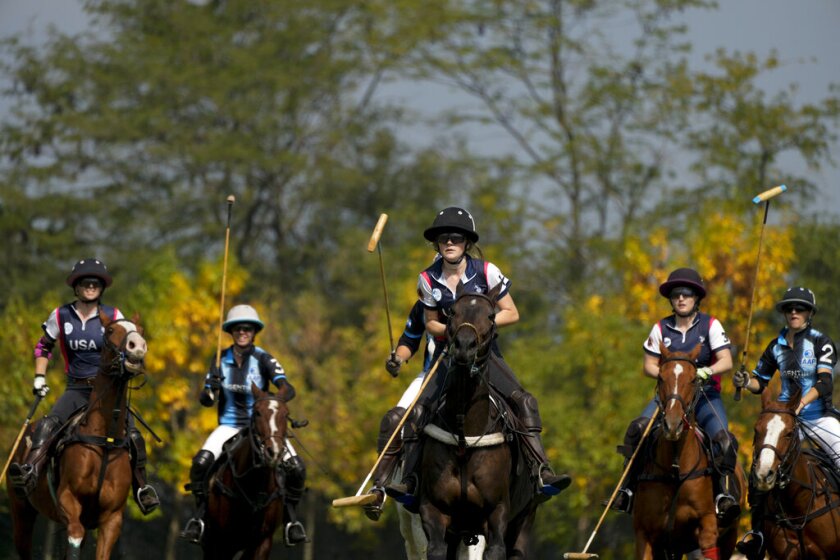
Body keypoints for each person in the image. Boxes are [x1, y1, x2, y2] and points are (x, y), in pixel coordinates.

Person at [384, 207, 571, 509]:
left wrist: (478, 328)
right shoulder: (428, 279)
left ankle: (541, 472)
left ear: (466, 243)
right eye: (444, 238)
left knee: (525, 402)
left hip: (486, 358)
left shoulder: (486, 271)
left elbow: (512, 311)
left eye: (456, 238)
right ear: (437, 244)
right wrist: (456, 331)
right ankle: (410, 481)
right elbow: (430, 323)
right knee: (418, 413)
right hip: (449, 357)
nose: (450, 243)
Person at [8, 258, 160, 514]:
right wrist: (39, 377)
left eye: (95, 282)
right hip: (76, 389)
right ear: (76, 287)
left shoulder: (114, 315)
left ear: (102, 287)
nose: (90, 286)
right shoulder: (60, 315)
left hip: (108, 392)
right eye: (85, 282)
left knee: (134, 436)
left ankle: (142, 487)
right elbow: (43, 346)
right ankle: (30, 471)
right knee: (47, 426)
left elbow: (127, 348)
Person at [609, 267, 740, 524]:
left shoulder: (710, 325)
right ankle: (627, 490)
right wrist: (670, 376)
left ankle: (723, 496)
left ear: (696, 298)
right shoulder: (661, 327)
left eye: (687, 294)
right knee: (637, 430)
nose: (681, 298)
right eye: (677, 294)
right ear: (671, 299)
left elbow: (726, 361)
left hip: (705, 396)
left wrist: (705, 372)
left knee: (724, 441)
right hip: (669, 397)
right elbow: (648, 365)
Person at [181, 304, 309, 546]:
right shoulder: (220, 358)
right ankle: (199, 519)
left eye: (247, 329)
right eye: (238, 329)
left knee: (297, 468)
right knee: (200, 463)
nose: (242, 332)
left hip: (261, 427)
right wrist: (211, 391)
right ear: (231, 331)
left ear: (254, 332)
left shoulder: (264, 358)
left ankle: (291, 521)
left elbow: (287, 387)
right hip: (229, 425)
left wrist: (277, 397)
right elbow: (205, 398)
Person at [734, 286, 839, 560]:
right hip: (783, 418)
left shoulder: (821, 342)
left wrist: (801, 404)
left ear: (809, 313)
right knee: (762, 468)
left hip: (817, 416)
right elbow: (761, 381)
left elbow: (825, 382)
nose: (794, 312)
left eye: (800, 308)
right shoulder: (775, 345)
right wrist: (747, 382)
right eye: (789, 308)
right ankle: (757, 534)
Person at [364, 300, 433, 521]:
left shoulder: (476, 292)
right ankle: (380, 490)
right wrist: (398, 358)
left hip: (474, 369)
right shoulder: (426, 301)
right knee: (394, 419)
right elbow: (410, 340)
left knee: (516, 407)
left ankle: (535, 471)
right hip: (432, 373)